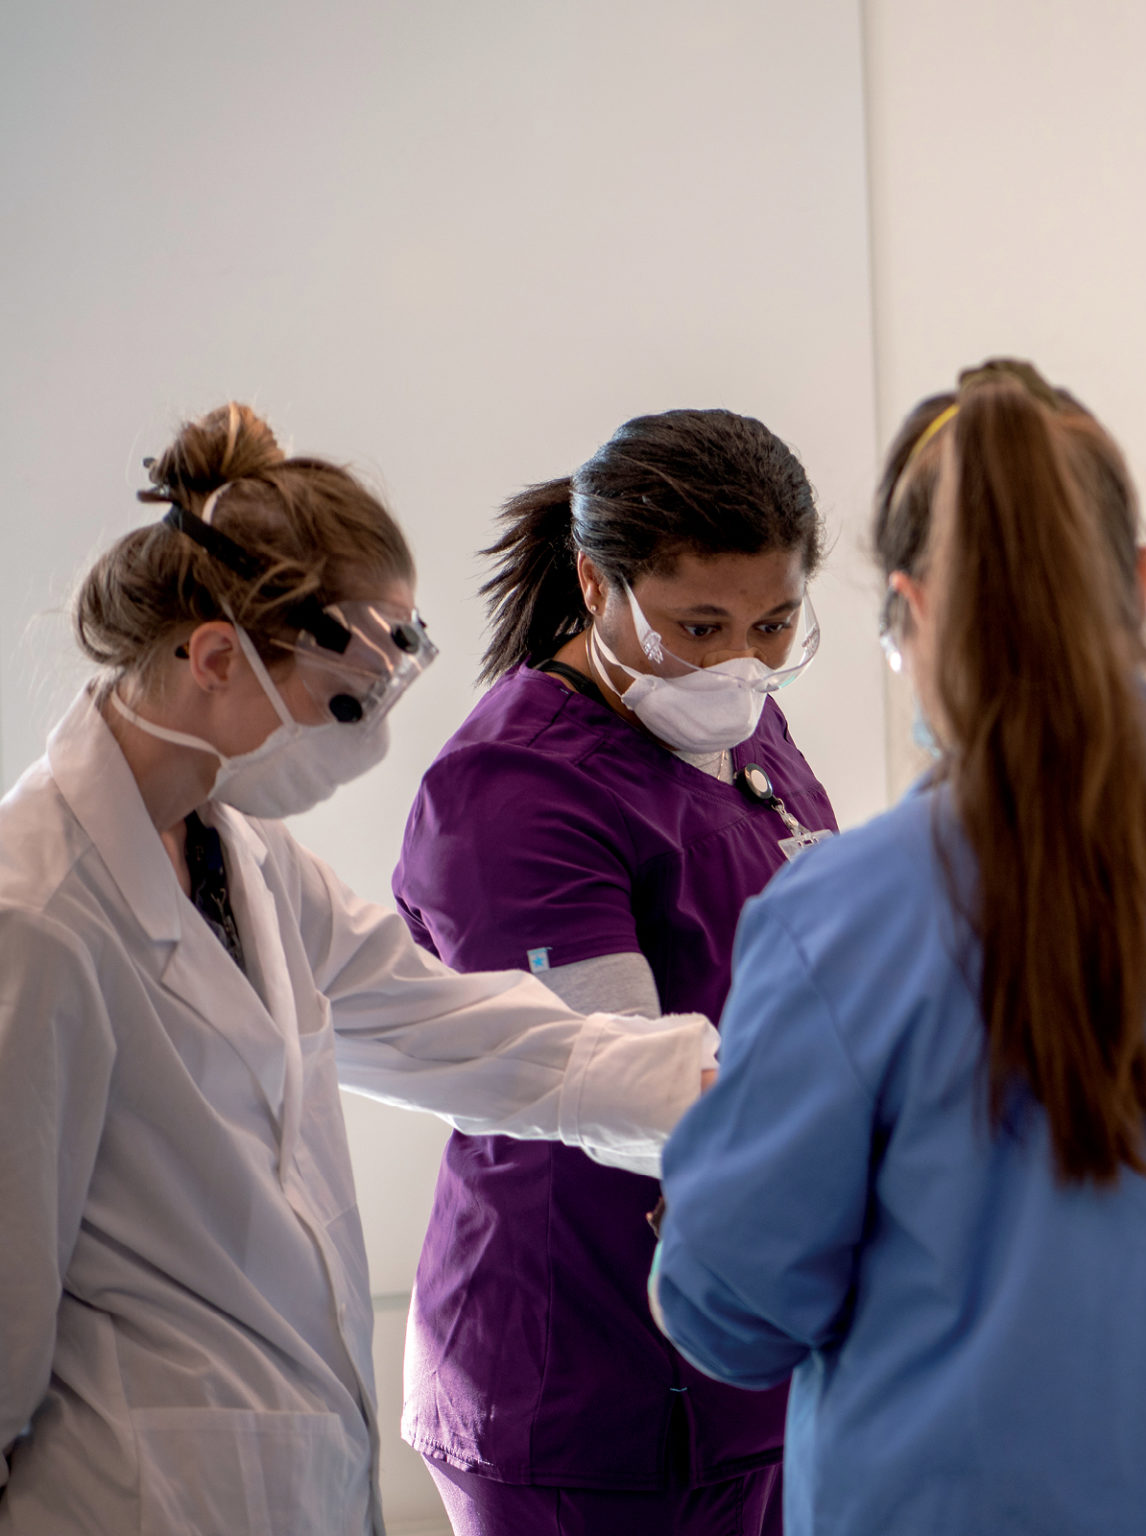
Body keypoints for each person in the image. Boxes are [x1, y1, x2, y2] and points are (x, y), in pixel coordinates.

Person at [649, 360, 1146, 1535]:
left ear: (909, 612)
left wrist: (703, 1189)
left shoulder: (845, 917)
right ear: (1137, 580)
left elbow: (733, 1315)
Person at [0, 405, 720, 1536]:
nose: (367, 742)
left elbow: (462, 1034)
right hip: (119, 1501)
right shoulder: (35, 917)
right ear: (215, 656)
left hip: (291, 1483)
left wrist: (714, 1098)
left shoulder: (248, 860)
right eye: (343, 704)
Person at [391, 409, 834, 1535]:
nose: (741, 661)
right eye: (699, 625)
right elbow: (615, 1085)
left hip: (747, 1347)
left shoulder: (735, 728)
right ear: (595, 585)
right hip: (583, 1376)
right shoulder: (513, 790)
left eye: (774, 623)